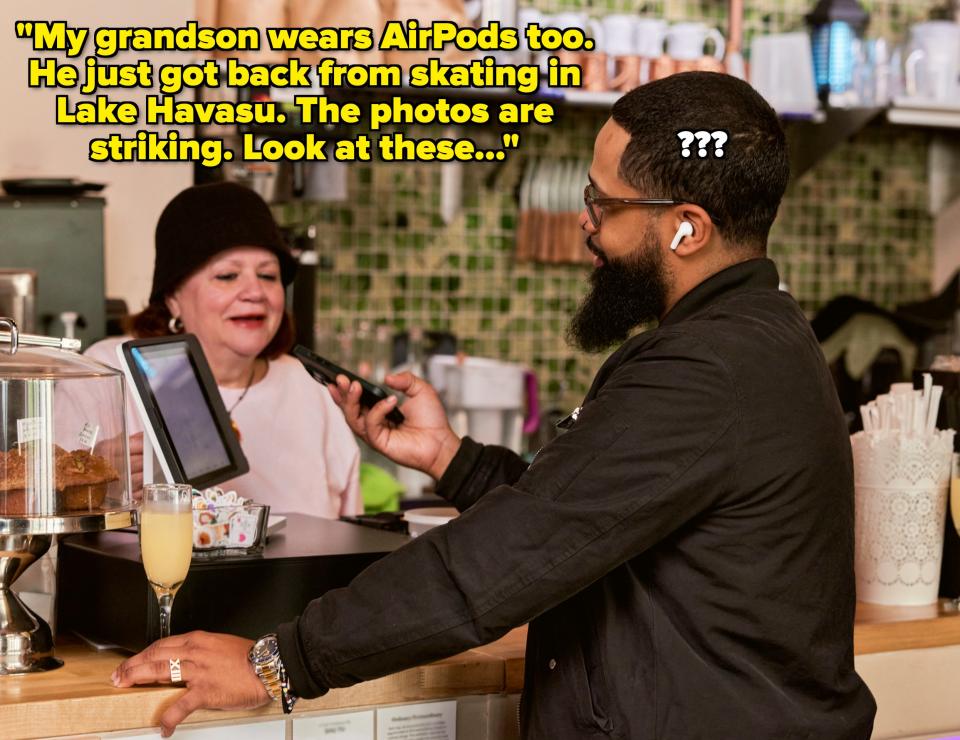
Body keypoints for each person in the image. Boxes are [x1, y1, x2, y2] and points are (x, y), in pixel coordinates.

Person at [112, 73, 876, 738]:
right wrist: (451, 458)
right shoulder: (758, 340)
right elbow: (586, 512)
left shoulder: (707, 368)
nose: (586, 222)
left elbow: (505, 559)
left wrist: (281, 660)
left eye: (602, 203)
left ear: (686, 227)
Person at [86, 182, 362, 519]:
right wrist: (95, 479)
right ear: (173, 296)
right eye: (228, 275)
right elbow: (50, 523)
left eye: (268, 275)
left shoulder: (313, 391)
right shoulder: (106, 373)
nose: (255, 291)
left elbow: (350, 540)